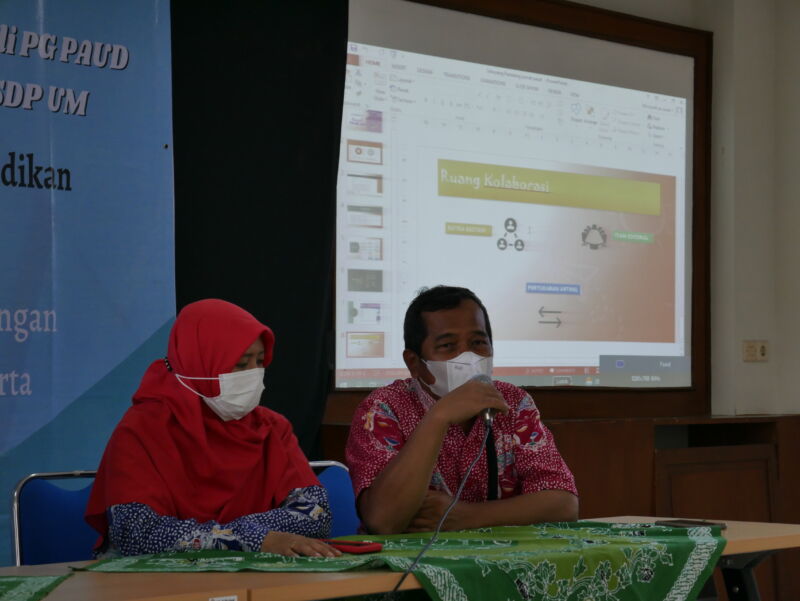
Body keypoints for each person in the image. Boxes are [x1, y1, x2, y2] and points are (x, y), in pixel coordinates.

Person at [85, 299, 340, 558]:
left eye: (260, 362)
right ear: (198, 361)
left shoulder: (271, 427)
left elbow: (316, 515)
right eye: (241, 364)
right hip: (157, 580)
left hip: (255, 575)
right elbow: (137, 533)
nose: (253, 374)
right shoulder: (141, 429)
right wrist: (251, 538)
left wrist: (230, 534)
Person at [346, 286, 578, 534]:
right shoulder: (384, 408)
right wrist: (439, 417)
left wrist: (466, 516)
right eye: (448, 345)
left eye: (478, 343)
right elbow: (383, 520)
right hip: (410, 557)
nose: (468, 356)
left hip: (497, 553)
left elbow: (564, 505)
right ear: (414, 362)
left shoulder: (512, 402)